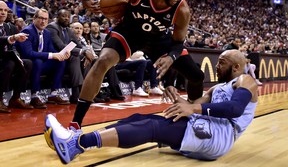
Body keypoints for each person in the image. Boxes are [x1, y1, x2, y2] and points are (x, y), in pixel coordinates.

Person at [44, 49, 258, 164]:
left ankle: (76, 144)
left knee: (152, 129)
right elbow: (193, 106)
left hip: (220, 135)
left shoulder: (245, 81)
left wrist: (192, 109)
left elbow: (234, 109)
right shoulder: (216, 89)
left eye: (221, 62)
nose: (217, 65)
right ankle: (81, 141)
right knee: (141, 118)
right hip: (205, 130)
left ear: (236, 67)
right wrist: (179, 100)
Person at [70, 0, 204, 127]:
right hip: (129, 32)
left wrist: (171, 57)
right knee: (102, 61)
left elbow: (177, 43)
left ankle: (193, 114)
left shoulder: (182, 10)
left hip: (158, 41)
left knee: (197, 76)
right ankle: (75, 123)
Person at [16, 9, 71, 108]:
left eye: (46, 19)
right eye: (41, 18)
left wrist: (60, 54)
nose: (43, 21)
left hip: (41, 63)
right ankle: (34, 96)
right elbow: (28, 53)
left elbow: (50, 49)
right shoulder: (27, 31)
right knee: (37, 61)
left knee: (60, 61)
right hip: (27, 64)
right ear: (34, 19)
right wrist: (51, 55)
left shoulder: (47, 33)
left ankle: (53, 93)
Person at [46, 9, 96, 103]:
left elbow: (79, 44)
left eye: (68, 17)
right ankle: (76, 93)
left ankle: (85, 92)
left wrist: (85, 52)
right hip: (56, 57)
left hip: (68, 56)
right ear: (57, 17)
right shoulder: (52, 27)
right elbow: (60, 46)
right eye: (64, 16)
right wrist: (82, 52)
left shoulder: (68, 30)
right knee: (76, 57)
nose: (66, 18)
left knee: (86, 58)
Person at [0, 0, 33, 113]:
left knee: (27, 63)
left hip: (8, 57)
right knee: (10, 63)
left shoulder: (10, 27)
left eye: (5, 10)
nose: (3, 13)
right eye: (0, 10)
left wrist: (18, 57)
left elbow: (14, 48)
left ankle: (15, 98)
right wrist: (12, 38)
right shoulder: (13, 32)